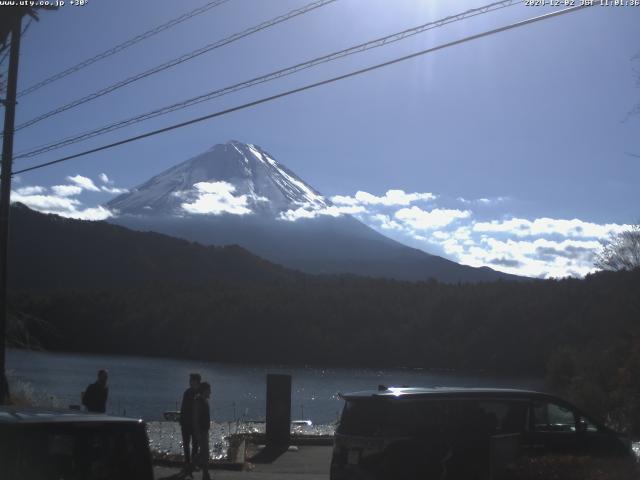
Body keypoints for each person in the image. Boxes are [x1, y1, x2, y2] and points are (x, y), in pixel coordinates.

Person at [180, 373, 201, 469]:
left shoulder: (200, 394)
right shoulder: (187, 392)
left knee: (195, 444)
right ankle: (187, 462)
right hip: (185, 423)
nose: (190, 382)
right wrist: (181, 419)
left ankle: (193, 463)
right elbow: (183, 407)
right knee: (186, 443)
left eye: (192, 380)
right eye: (190, 380)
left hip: (195, 424)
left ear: (197, 381)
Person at [193, 382, 212, 480]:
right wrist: (198, 433)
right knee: (205, 453)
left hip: (205, 430)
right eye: (209, 390)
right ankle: (205, 474)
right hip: (201, 431)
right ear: (204, 390)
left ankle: (203, 472)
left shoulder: (204, 401)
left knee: (204, 453)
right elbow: (196, 418)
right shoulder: (199, 402)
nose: (211, 392)